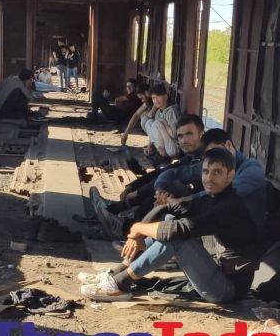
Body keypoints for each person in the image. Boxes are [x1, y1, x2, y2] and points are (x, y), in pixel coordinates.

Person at [79, 148, 258, 303]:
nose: (209, 178)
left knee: (177, 239)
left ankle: (120, 284)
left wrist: (138, 229)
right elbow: (172, 208)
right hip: (213, 270)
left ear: (230, 175)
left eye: (217, 172)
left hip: (226, 289)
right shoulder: (211, 196)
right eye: (206, 171)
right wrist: (139, 232)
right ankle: (116, 273)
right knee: (169, 218)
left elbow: (181, 229)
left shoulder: (229, 206)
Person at [91, 114, 206, 239]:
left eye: (189, 134)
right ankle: (113, 210)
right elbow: (163, 172)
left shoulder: (205, 159)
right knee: (161, 181)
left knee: (171, 187)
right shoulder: (190, 156)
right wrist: (132, 186)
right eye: (180, 136)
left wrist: (138, 193)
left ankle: (124, 227)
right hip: (184, 205)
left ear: (201, 134)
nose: (184, 140)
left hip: (199, 211)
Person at [195, 128, 267, 230]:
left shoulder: (252, 170)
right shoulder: (217, 164)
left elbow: (221, 192)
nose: (215, 159)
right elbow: (191, 170)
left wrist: (189, 199)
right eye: (211, 156)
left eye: (218, 152)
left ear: (228, 145)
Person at [141, 84, 182, 160]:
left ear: (166, 96)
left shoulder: (172, 111)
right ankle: (158, 152)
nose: (156, 100)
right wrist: (149, 146)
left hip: (174, 148)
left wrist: (164, 123)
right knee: (149, 123)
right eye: (153, 98)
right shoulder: (158, 112)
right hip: (166, 147)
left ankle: (163, 155)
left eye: (158, 96)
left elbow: (175, 135)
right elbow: (156, 133)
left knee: (157, 123)